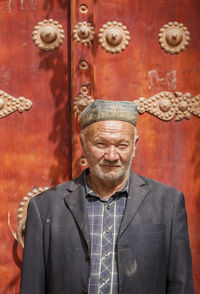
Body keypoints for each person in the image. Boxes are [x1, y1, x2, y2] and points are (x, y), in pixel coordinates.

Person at [20, 100, 194, 294]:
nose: (112, 156)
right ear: (84, 144)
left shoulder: (167, 204)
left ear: (134, 146)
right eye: (101, 144)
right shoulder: (45, 206)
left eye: (122, 145)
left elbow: (181, 285)